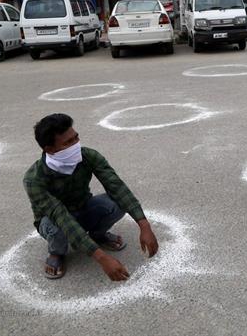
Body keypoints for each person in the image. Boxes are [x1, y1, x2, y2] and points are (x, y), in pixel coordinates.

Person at [23, 113, 159, 280]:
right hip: (54, 220)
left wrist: (144, 226)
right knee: (56, 229)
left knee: (116, 203)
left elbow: (117, 187)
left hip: (83, 207)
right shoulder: (34, 179)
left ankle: (97, 235)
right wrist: (102, 258)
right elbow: (60, 216)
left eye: (76, 138)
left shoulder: (88, 156)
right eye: (68, 142)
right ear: (49, 149)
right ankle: (57, 253)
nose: (76, 145)